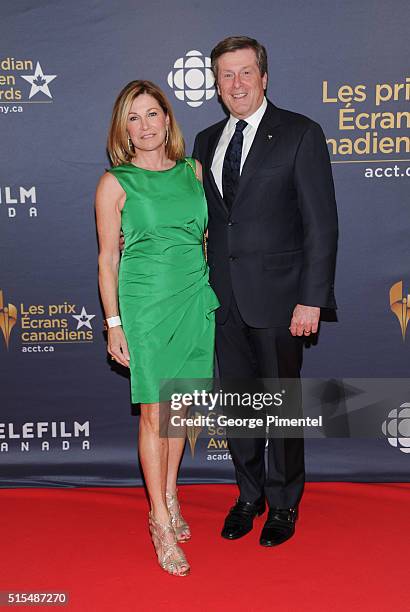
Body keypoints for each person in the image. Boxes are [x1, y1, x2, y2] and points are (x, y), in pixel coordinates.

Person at [193, 36, 338, 547]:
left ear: (264, 77)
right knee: (237, 404)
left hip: (281, 298)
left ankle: (283, 504)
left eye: (245, 73)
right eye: (226, 75)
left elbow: (321, 224)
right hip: (221, 297)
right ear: (216, 83)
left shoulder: (300, 133)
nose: (236, 84)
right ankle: (248, 496)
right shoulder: (206, 140)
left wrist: (312, 297)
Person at [95, 80, 219, 576]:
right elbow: (108, 259)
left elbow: (206, 238)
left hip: (193, 299)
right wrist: (113, 323)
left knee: (180, 412)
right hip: (145, 304)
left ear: (168, 119)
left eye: (152, 114)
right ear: (123, 128)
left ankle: (169, 493)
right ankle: (160, 523)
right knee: (154, 413)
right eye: (134, 117)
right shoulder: (115, 182)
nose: (145, 125)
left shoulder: (194, 171)